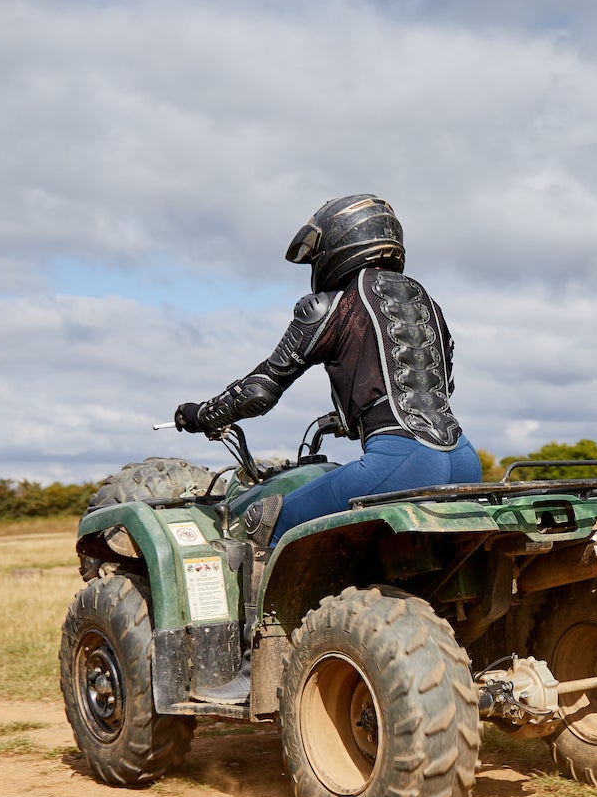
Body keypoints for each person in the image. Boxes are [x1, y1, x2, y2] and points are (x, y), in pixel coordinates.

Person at [174, 195, 481, 547]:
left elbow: (259, 391)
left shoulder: (330, 306)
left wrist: (201, 414)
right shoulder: (426, 303)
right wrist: (352, 417)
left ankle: (268, 606)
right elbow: (431, 389)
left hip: (401, 464)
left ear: (337, 246)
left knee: (264, 520)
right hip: (463, 458)